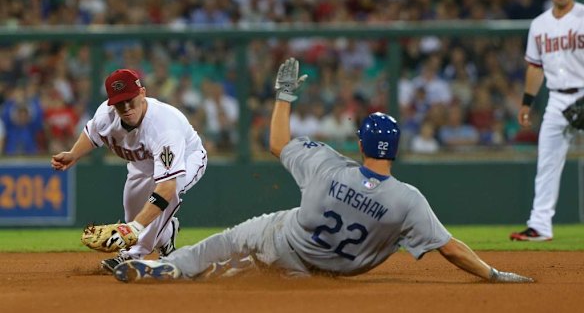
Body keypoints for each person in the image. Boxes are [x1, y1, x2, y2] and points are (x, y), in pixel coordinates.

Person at [112, 59, 532, 284]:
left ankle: (167, 268)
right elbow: (452, 249)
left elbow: (276, 143)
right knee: (260, 269)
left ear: (361, 143)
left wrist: (284, 96)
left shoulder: (329, 165)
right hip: (323, 271)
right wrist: (494, 274)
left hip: (285, 240)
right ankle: (231, 272)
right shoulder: (409, 201)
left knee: (227, 242)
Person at [50, 69, 208, 272]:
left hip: (186, 158)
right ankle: (166, 236)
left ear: (142, 93)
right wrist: (73, 154)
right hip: (142, 164)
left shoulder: (164, 127)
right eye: (119, 102)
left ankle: (132, 255)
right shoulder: (106, 116)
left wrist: (133, 229)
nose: (125, 107)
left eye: (130, 100)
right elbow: (92, 133)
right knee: (134, 211)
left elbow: (167, 187)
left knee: (162, 199)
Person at [510, 0, 584, 242]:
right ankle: (540, 226)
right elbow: (535, 67)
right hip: (556, 99)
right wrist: (527, 103)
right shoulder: (539, 24)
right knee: (547, 163)